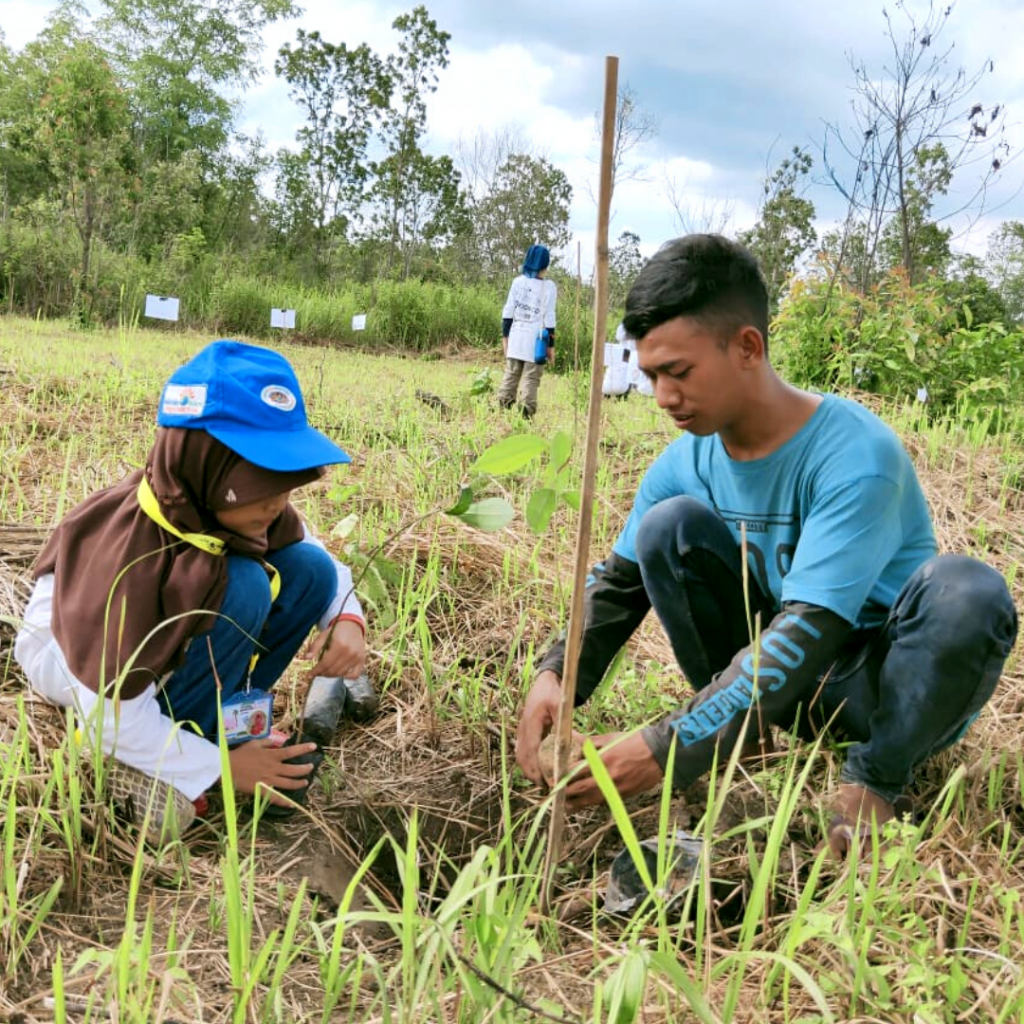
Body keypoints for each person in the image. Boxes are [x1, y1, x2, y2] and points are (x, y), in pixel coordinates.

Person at [515, 234, 1018, 856]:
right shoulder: (683, 463)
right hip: (778, 689)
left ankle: (878, 778)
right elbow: (618, 584)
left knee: (967, 592)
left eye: (679, 371)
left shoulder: (856, 457)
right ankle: (742, 735)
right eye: (650, 376)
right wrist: (556, 674)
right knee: (666, 527)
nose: (664, 397)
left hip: (877, 686)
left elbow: (811, 629)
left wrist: (669, 744)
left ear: (748, 346)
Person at [15, 340, 367, 835]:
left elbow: (320, 556)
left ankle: (219, 724)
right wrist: (224, 769)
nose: (279, 501)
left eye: (286, 480)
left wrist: (347, 618)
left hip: (162, 650)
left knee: (309, 569)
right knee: (243, 583)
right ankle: (172, 754)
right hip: (88, 677)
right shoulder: (129, 560)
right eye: (262, 480)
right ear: (205, 465)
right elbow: (108, 712)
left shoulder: (232, 507)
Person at [498, 244, 558, 418]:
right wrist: (551, 347)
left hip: (516, 334)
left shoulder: (517, 282)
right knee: (531, 378)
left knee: (511, 374)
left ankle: (502, 411)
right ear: (546, 265)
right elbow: (549, 319)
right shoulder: (549, 287)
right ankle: (526, 415)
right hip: (537, 339)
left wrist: (505, 338)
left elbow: (508, 312)